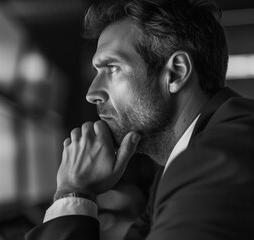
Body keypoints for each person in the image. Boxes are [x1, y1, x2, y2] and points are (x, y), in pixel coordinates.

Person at [25, 0, 254, 239]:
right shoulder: (187, 159)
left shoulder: (215, 161)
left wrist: (73, 192)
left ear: (176, 73)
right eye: (97, 72)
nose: (92, 93)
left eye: (112, 68)